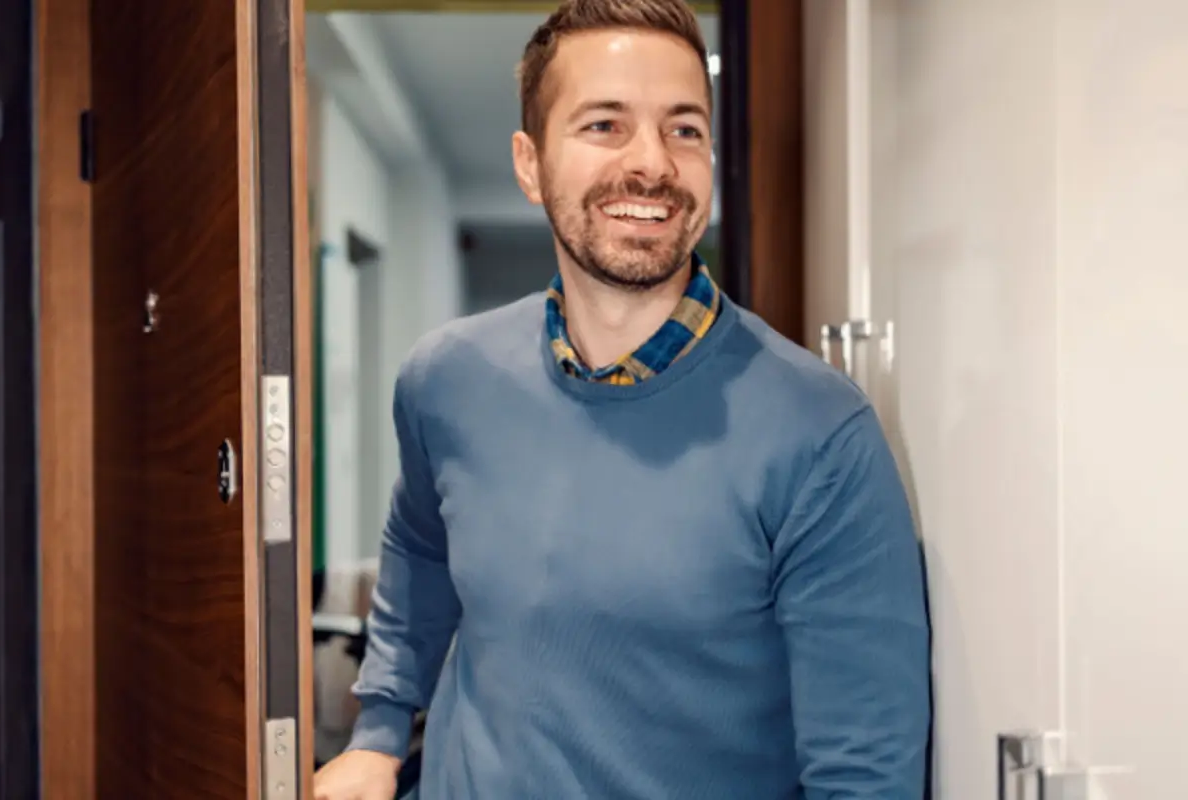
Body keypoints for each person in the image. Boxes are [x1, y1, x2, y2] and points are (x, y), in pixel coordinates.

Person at [312, 1, 930, 797]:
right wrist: (378, 734)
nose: (652, 165)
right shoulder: (446, 381)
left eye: (684, 129)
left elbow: (864, 775)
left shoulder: (820, 436)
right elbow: (421, 552)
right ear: (529, 164)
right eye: (605, 125)